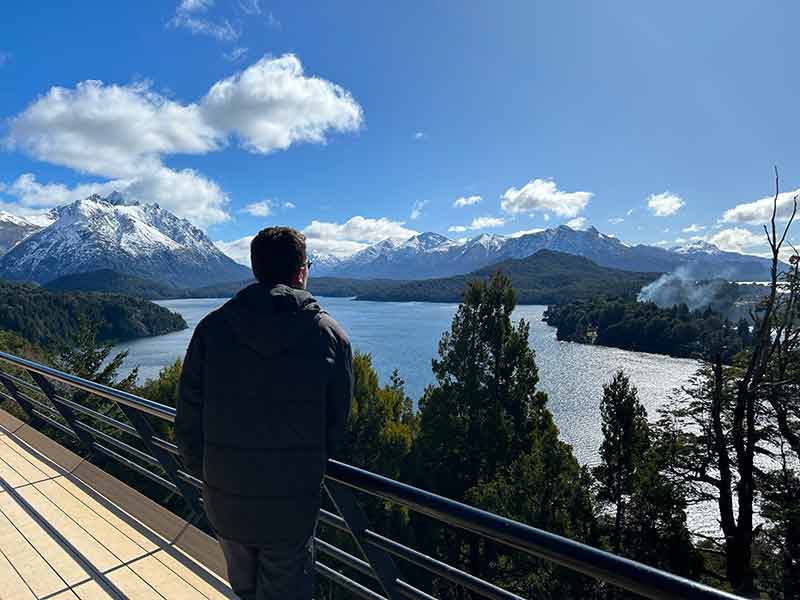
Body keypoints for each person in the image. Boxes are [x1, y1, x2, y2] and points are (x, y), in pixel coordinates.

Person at [176, 226, 353, 600]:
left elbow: (188, 420)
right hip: (290, 506)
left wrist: (211, 476)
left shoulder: (211, 329)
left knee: (243, 589)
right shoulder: (329, 335)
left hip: (225, 499)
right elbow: (335, 427)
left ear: (255, 269)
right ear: (302, 271)